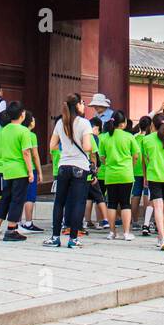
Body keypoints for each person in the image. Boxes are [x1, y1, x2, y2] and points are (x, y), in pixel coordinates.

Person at [45, 94, 94, 248]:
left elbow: (52, 145)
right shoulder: (84, 123)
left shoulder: (61, 123)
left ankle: (55, 237)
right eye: (83, 103)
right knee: (78, 202)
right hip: (80, 167)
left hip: (63, 166)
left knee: (60, 202)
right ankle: (73, 239)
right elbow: (87, 147)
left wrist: (65, 147)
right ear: (78, 105)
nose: (84, 106)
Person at [0, 101, 37, 241]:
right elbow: (26, 153)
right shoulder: (24, 131)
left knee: (5, 198)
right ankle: (11, 230)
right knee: (17, 200)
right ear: (22, 115)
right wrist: (30, 172)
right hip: (19, 170)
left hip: (6, 169)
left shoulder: (4, 130)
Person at [141, 111, 164, 250]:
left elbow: (146, 160)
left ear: (152, 125)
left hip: (154, 176)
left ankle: (161, 238)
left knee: (158, 207)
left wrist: (145, 176)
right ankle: (162, 237)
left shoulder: (146, 140)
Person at [99, 113, 138, 240]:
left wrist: (109, 164)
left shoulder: (104, 137)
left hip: (110, 174)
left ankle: (112, 232)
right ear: (123, 124)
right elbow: (136, 155)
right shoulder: (129, 136)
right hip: (126, 174)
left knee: (112, 204)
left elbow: (102, 157)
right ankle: (126, 233)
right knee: (125, 203)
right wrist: (130, 165)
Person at [19, 114, 44, 234]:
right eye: (33, 120)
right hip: (30, 168)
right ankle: (28, 222)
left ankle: (16, 222)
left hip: (17, 169)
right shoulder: (31, 135)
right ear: (29, 122)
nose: (34, 122)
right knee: (30, 197)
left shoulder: (17, 132)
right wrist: (39, 172)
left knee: (18, 196)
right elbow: (35, 155)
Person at [131, 114, 154, 233]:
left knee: (135, 196)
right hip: (147, 171)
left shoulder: (134, 138)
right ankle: (147, 222)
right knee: (147, 196)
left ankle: (134, 222)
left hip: (134, 171)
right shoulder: (149, 139)